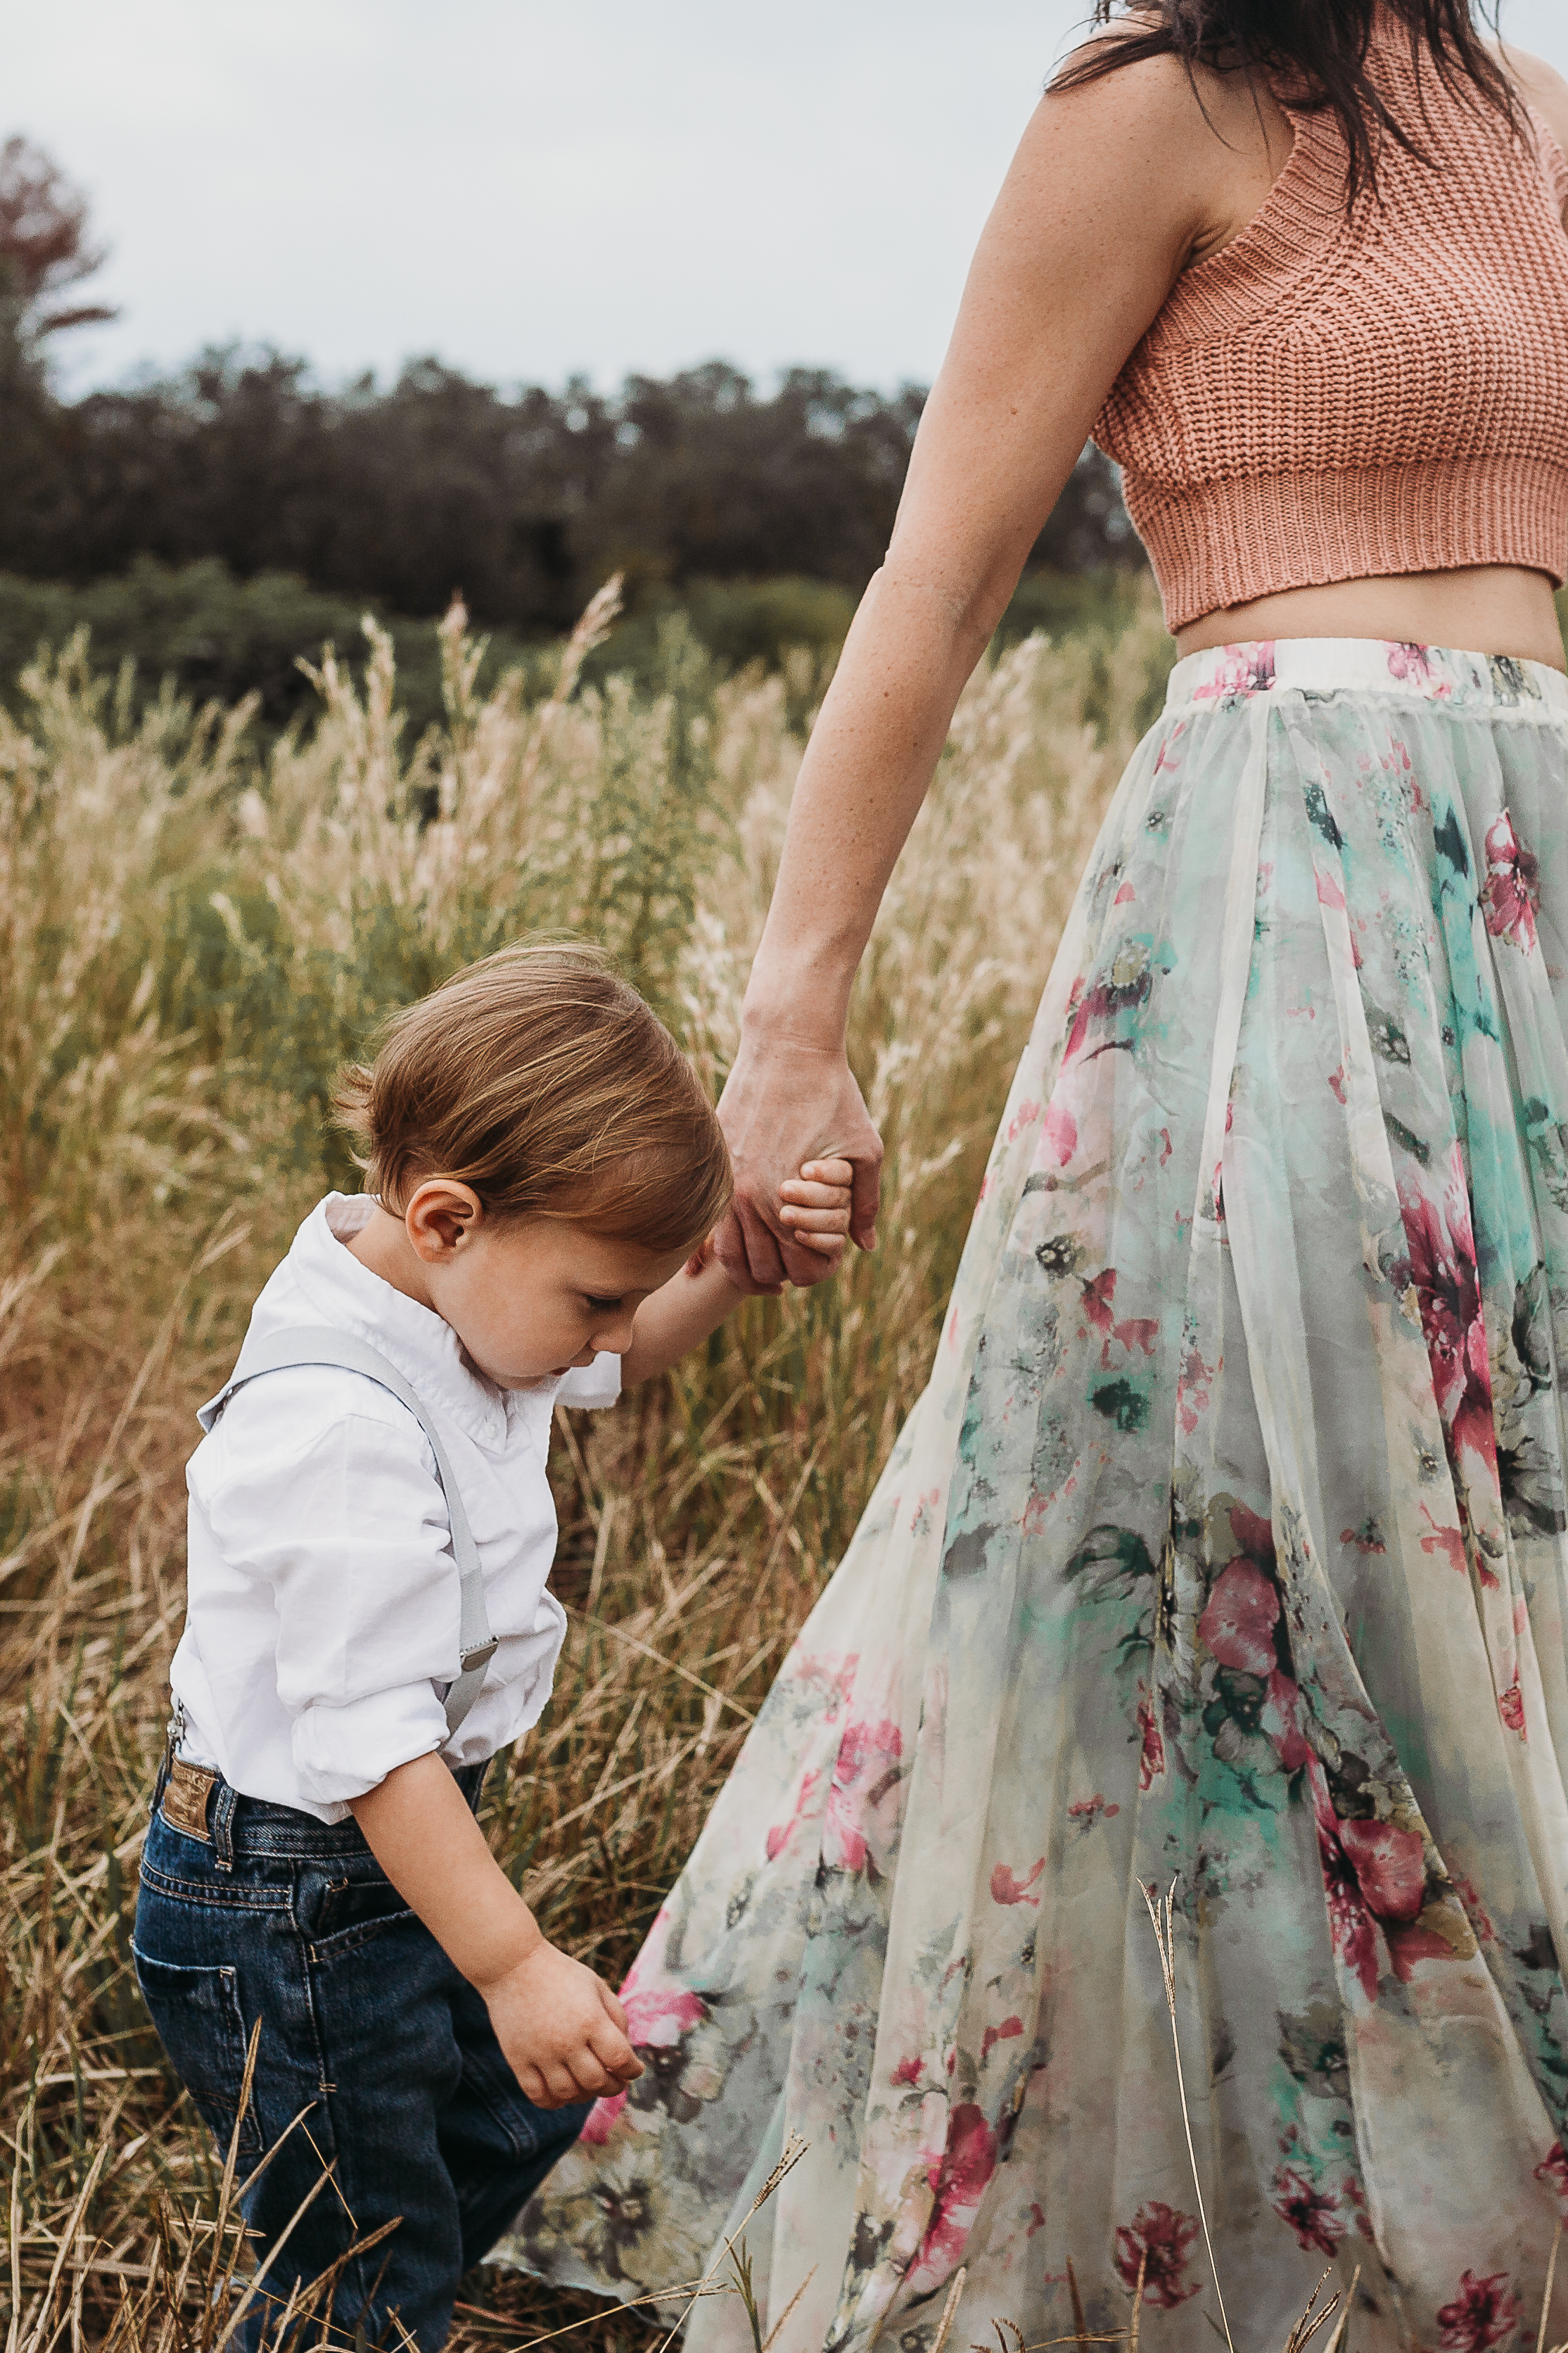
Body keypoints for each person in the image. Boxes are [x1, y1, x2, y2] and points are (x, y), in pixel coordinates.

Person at [509, 6, 1568, 2347]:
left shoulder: (1528, 117)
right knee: (1274, 1575)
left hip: (1534, 898)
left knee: (1534, 1566)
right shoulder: (1152, 107)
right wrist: (790, 1027)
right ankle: (1222, 2253)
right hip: (1285, 907)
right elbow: (934, 579)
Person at [132, 942, 854, 2353]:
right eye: (596, 1293)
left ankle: (347, 2249)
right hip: (289, 1901)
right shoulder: (340, 1423)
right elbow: (369, 1742)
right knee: (363, 2276)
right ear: (449, 1219)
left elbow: (610, 1357)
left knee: (509, 2118)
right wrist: (512, 1961)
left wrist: (728, 1272)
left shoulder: (438, 1286)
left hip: (377, 1869)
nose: (612, 1329)